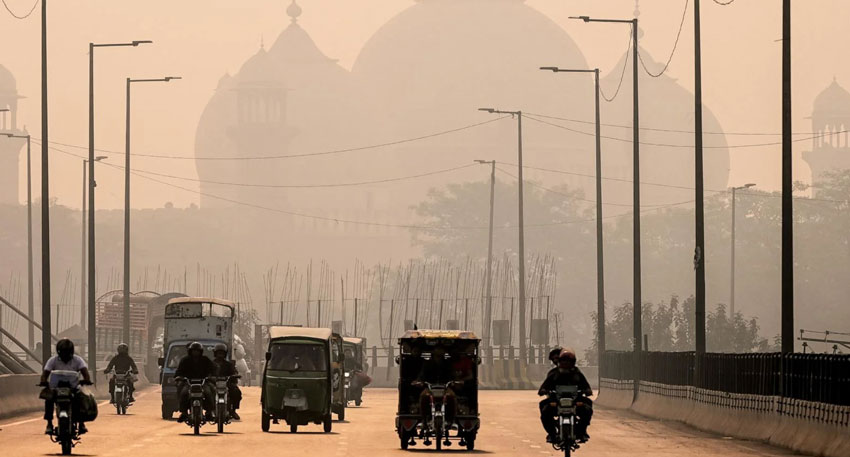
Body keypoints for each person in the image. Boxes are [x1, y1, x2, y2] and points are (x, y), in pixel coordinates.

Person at [538, 349, 593, 443]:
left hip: (575, 400)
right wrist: (543, 390)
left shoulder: (577, 373)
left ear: (573, 362)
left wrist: (587, 390)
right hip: (556, 400)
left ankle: (582, 431)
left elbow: (586, 385)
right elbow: (545, 386)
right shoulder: (554, 373)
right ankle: (552, 433)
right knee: (544, 409)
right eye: (563, 360)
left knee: (588, 407)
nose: (566, 363)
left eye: (568, 361)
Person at [40, 339, 93, 435]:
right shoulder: (53, 360)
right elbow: (45, 373)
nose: (65, 355)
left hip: (73, 387)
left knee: (81, 398)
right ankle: (49, 423)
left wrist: (86, 380)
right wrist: (43, 381)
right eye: (63, 352)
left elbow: (85, 372)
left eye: (67, 352)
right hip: (56, 388)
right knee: (48, 400)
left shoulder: (78, 360)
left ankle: (81, 423)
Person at [175, 341, 216, 423]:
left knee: (209, 392)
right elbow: (179, 372)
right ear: (190, 351)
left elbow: (212, 370)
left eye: (197, 351)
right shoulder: (185, 360)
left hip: (203, 383)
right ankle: (183, 412)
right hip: (188, 383)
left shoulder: (205, 360)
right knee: (183, 393)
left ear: (201, 351)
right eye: (194, 351)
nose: (195, 352)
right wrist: (179, 377)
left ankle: (209, 412)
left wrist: (210, 377)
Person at [413, 347, 457, 422]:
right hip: (430, 387)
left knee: (451, 396)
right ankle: (424, 420)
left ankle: (451, 420)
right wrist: (419, 381)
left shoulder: (447, 363)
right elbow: (422, 374)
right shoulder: (427, 363)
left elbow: (452, 374)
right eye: (438, 349)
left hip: (445, 387)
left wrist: (455, 381)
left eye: (441, 349)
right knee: (424, 396)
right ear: (433, 351)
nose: (440, 351)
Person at [211, 343, 242, 421]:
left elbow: (234, 372)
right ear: (215, 353)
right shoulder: (211, 364)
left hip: (227, 384)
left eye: (222, 353)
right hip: (213, 384)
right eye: (218, 353)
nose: (220, 355)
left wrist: (235, 376)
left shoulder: (229, 364)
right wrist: (210, 378)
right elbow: (206, 372)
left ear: (225, 354)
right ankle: (209, 410)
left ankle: (233, 410)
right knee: (207, 392)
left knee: (236, 392)